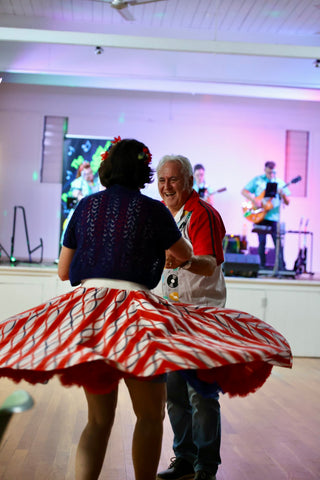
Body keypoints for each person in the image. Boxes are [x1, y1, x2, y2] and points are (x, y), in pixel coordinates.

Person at [0, 140, 292, 479]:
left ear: (106, 168)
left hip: (93, 316)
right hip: (136, 317)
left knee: (97, 421)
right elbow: (184, 254)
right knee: (151, 417)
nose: (166, 186)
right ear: (145, 172)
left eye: (173, 180)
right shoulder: (154, 211)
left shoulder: (85, 207)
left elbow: (65, 272)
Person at [156, 155, 226, 480]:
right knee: (175, 394)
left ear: (188, 182)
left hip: (201, 317)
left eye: (173, 180)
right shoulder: (162, 217)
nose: (166, 186)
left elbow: (209, 264)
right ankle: (184, 458)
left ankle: (205, 467)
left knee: (202, 395)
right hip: (170, 317)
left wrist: (181, 262)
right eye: (161, 180)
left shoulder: (202, 214)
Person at [241, 161, 290, 270]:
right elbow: (244, 191)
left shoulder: (280, 183)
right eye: (268, 172)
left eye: (272, 172)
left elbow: (287, 202)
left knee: (277, 243)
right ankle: (261, 266)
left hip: (273, 217)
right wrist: (254, 200)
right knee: (261, 241)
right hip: (260, 216)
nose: (270, 174)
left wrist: (282, 194)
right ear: (265, 170)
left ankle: (281, 267)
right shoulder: (258, 180)